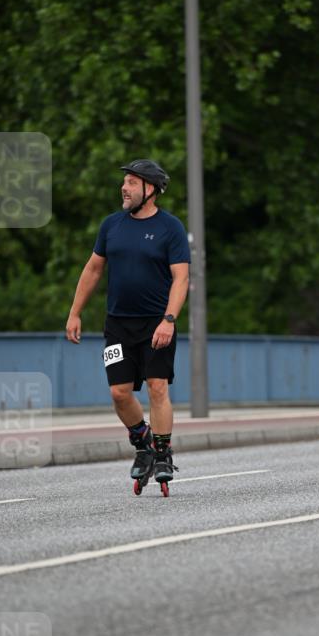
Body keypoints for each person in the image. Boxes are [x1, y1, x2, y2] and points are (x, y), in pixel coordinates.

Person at [65, 159, 191, 493]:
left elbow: (181, 278)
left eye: (133, 182)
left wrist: (169, 319)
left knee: (157, 387)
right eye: (125, 181)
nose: (125, 187)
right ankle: (143, 442)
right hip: (117, 324)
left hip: (156, 324)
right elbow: (93, 270)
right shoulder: (111, 226)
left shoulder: (171, 227)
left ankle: (162, 453)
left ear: (151, 190)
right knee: (119, 393)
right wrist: (75, 312)